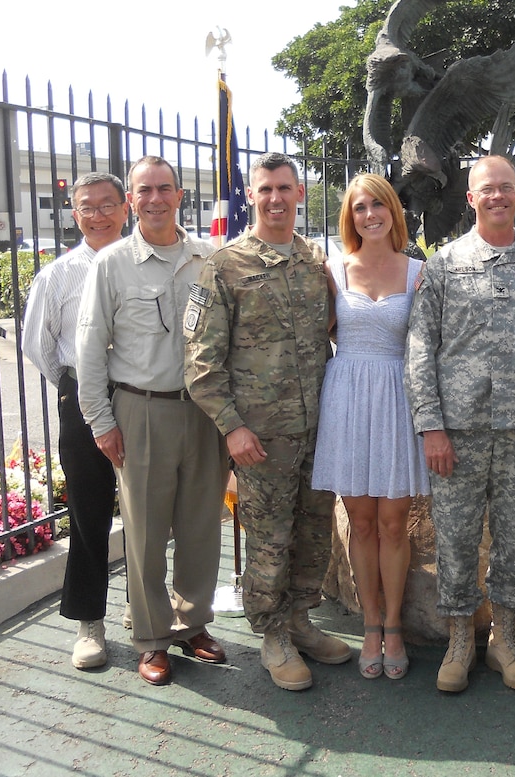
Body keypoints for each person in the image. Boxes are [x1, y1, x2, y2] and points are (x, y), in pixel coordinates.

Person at [185, 151, 351, 692]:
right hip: (260, 437)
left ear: (300, 194)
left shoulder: (313, 263)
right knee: (269, 539)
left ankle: (301, 619)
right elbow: (201, 361)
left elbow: (335, 332)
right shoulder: (224, 266)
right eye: (266, 189)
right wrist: (232, 427)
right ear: (252, 197)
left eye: (285, 188)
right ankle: (272, 632)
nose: (276, 198)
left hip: (317, 430)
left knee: (313, 531)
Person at [405, 154, 515, 693]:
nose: (497, 197)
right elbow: (421, 346)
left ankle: (504, 637)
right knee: (455, 537)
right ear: (471, 199)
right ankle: (459, 637)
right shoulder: (445, 264)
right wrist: (430, 425)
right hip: (458, 429)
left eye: (506, 188)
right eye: (486, 190)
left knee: (514, 538)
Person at [76, 156, 228, 687]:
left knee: (200, 528)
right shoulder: (112, 264)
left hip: (204, 412)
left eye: (165, 188)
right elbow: (90, 349)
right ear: (132, 202)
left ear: (181, 195)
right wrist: (100, 421)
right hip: (140, 411)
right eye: (145, 191)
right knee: (143, 533)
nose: (156, 198)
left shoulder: (208, 259)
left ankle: (192, 624)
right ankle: (151, 638)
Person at [310, 173, 430, 681]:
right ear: (350, 216)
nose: (370, 215)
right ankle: (371, 624)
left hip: (398, 398)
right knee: (359, 521)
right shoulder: (332, 270)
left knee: (392, 522)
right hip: (348, 397)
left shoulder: (419, 272)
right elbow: (317, 332)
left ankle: (396, 626)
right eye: (360, 208)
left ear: (393, 212)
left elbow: (429, 345)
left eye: (378, 205)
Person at [22, 172, 128, 670]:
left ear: (125, 208)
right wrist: (74, 388)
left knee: (149, 506)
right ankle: (90, 620)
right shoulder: (57, 275)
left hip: (143, 393)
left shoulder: (142, 262)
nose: (99, 214)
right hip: (82, 396)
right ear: (74, 214)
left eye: (108, 204)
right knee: (88, 508)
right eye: (88, 207)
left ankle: (146, 607)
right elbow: (38, 346)